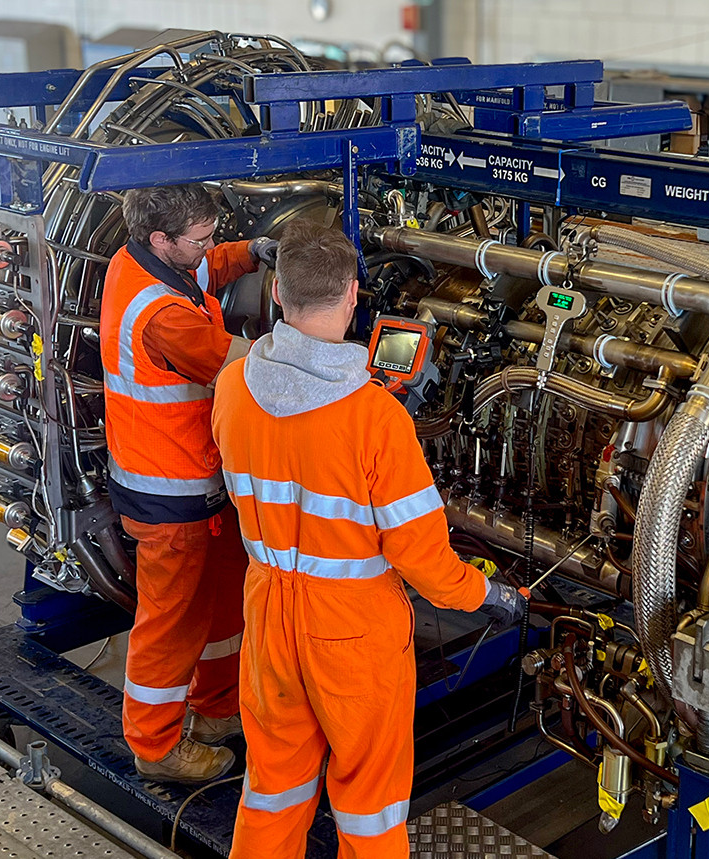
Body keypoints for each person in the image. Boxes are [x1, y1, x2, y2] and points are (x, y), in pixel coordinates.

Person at [212, 221, 524, 858]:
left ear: (276, 293)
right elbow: (422, 559)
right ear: (354, 295)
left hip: (269, 615)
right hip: (353, 636)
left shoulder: (232, 388)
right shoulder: (374, 415)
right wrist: (485, 594)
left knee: (273, 786)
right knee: (368, 804)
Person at [100, 183, 278, 783]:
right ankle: (155, 748)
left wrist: (252, 250)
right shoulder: (162, 316)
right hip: (168, 487)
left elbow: (205, 263)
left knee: (224, 600)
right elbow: (241, 361)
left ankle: (216, 709)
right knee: (171, 620)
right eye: (198, 238)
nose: (208, 248)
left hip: (204, 477)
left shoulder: (145, 259)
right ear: (161, 239)